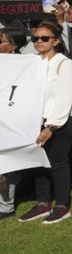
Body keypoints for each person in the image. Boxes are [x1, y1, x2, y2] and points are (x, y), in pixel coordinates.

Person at [17, 21, 72, 224]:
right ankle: (43, 203)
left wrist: (51, 126)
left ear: (56, 41)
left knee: (58, 162)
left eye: (44, 38)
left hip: (60, 121)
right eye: (35, 38)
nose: (38, 41)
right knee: (38, 163)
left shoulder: (64, 63)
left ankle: (62, 205)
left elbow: (64, 97)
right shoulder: (35, 62)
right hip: (38, 119)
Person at [0, 25, 28, 220]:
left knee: (7, 164)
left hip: (11, 120)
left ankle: (5, 205)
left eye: (1, 40)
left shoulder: (24, 65)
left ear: (14, 46)